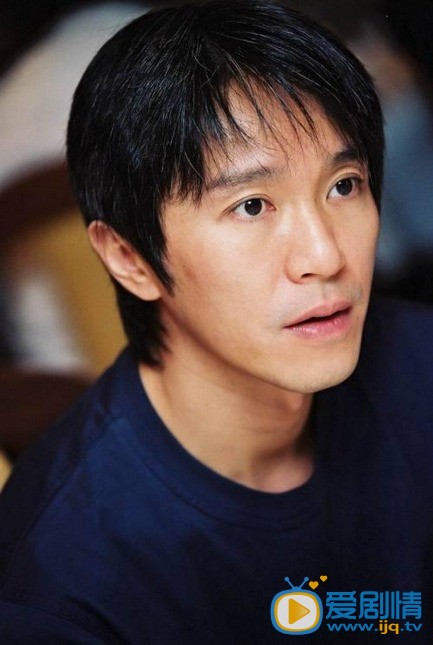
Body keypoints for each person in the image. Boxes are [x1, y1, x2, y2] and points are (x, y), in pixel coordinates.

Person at [0, 1, 432, 642]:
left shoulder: (417, 363)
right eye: (252, 205)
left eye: (343, 185)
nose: (325, 256)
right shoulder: (64, 582)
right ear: (130, 258)